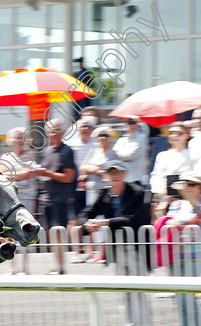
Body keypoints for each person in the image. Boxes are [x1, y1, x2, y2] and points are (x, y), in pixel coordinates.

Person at [78, 160, 153, 326]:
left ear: (125, 174)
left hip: (137, 248)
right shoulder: (104, 194)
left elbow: (138, 219)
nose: (115, 176)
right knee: (126, 293)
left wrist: (104, 223)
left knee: (139, 293)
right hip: (118, 250)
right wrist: (87, 224)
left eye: (117, 172)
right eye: (110, 173)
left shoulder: (139, 191)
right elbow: (87, 213)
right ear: (105, 176)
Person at [154, 171, 201, 326]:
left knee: (190, 298)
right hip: (175, 254)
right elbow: (167, 223)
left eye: (192, 184)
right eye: (185, 184)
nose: (187, 187)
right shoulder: (176, 204)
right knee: (180, 299)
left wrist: (179, 221)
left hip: (193, 256)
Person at [34, 119, 78, 275]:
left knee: (58, 233)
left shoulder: (67, 151)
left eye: (56, 131)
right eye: (51, 131)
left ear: (62, 132)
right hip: (46, 197)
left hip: (60, 199)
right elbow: (46, 172)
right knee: (51, 234)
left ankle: (60, 267)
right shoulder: (47, 151)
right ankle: (57, 265)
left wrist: (47, 173)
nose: (54, 134)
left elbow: (68, 177)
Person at [0, 127, 38, 274]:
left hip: (27, 197)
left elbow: (29, 173)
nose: (19, 140)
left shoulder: (31, 154)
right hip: (10, 199)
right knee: (10, 232)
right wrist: (19, 174)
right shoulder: (5, 157)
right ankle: (11, 266)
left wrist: (12, 174)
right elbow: (0, 175)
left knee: (27, 230)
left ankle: (26, 267)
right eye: (16, 137)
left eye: (21, 137)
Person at [76, 126, 119, 263]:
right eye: (100, 135)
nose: (103, 138)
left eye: (105, 135)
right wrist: (93, 169)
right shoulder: (93, 151)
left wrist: (99, 171)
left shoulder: (113, 153)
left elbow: (113, 170)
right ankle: (93, 251)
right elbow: (83, 166)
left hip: (106, 191)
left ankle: (103, 252)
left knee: (102, 221)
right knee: (92, 220)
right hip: (92, 189)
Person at [150, 123, 193, 214]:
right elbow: (156, 176)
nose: (174, 136)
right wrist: (162, 192)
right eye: (171, 133)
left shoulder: (192, 154)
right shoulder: (162, 155)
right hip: (163, 197)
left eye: (179, 133)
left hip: (186, 198)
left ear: (187, 135)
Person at [113, 118, 150, 185]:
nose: (131, 125)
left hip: (135, 178)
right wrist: (121, 156)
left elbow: (130, 156)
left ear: (138, 125)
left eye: (134, 123)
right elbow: (113, 154)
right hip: (122, 178)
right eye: (129, 123)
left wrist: (119, 154)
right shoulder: (121, 139)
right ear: (125, 126)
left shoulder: (142, 138)